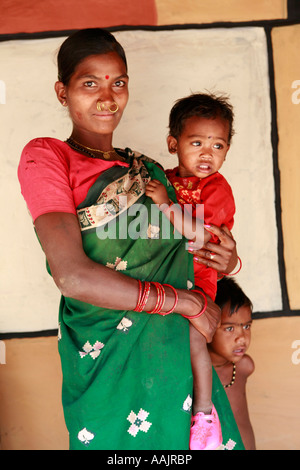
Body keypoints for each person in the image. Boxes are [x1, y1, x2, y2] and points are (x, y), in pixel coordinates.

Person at [18, 28, 242, 450]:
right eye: (90, 83)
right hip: (106, 363)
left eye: (118, 82)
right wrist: (186, 302)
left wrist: (228, 259)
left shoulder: (152, 172)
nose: (107, 97)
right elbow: (72, 277)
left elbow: (197, 244)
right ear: (62, 92)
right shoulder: (47, 156)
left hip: (176, 364)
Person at [146, 93, 237, 449]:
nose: (207, 153)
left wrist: (166, 205)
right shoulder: (163, 179)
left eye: (217, 145)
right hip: (167, 275)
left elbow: (202, 235)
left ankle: (203, 410)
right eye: (196, 142)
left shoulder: (216, 188)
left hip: (199, 276)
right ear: (174, 144)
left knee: (195, 338)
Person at [210, 277, 256, 450]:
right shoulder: (193, 372)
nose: (242, 338)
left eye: (246, 326)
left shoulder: (244, 367)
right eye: (230, 328)